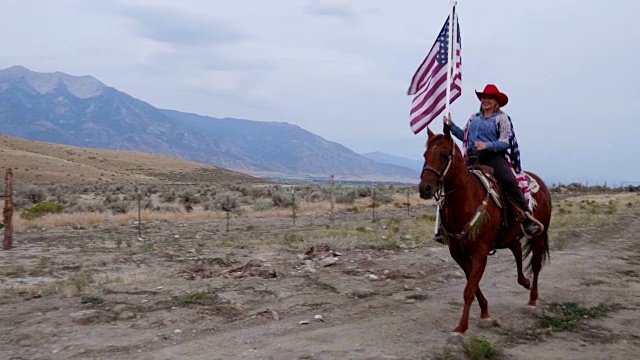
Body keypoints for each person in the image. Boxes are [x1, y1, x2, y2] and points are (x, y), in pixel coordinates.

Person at [434, 84, 543, 244]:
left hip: (494, 158)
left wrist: (487, 145)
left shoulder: (502, 119)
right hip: (472, 159)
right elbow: (465, 136)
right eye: (484, 97)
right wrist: (451, 126)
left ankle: (527, 219)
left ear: (496, 101)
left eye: (489, 97)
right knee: (450, 185)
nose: (485, 100)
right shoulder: (474, 118)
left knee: (509, 183)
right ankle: (443, 228)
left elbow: (505, 142)